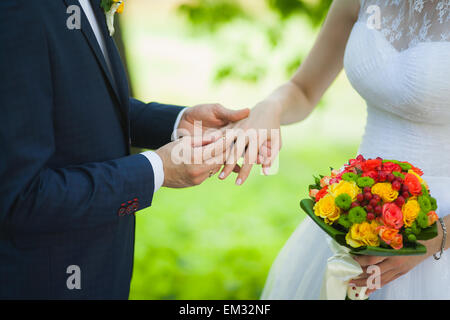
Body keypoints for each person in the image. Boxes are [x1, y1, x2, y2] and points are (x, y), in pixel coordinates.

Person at [0, 0, 248, 299]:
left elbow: (78, 103)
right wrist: (157, 170)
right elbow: (21, 197)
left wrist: (178, 122)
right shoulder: (19, 10)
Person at [223, 0, 450, 299]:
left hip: (440, 233)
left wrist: (435, 238)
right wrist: (270, 107)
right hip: (356, 213)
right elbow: (303, 89)